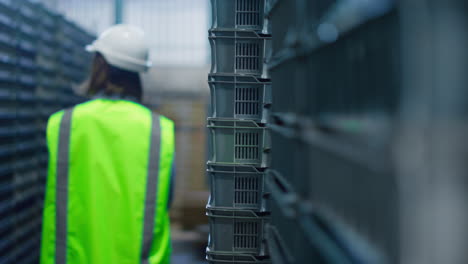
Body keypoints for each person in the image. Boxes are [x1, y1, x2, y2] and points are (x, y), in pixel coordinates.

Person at [40, 24, 175, 264]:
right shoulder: (159, 130)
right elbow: (167, 197)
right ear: (138, 73)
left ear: (99, 64)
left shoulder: (63, 124)